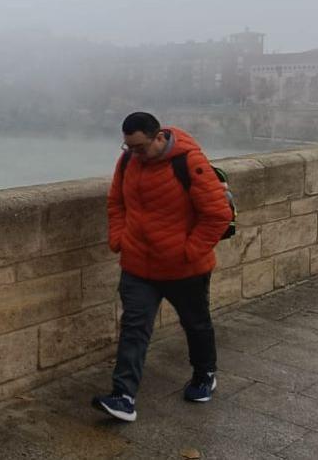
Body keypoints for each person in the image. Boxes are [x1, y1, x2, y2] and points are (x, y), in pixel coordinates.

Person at [92, 112, 232, 422]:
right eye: (128, 147)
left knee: (196, 324)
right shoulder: (128, 162)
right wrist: (119, 239)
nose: (134, 154)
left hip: (185, 269)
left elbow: (218, 215)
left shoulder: (189, 163)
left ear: (159, 138)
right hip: (138, 265)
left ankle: (204, 374)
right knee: (134, 328)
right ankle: (123, 397)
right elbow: (116, 202)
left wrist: (187, 252)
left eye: (140, 147)